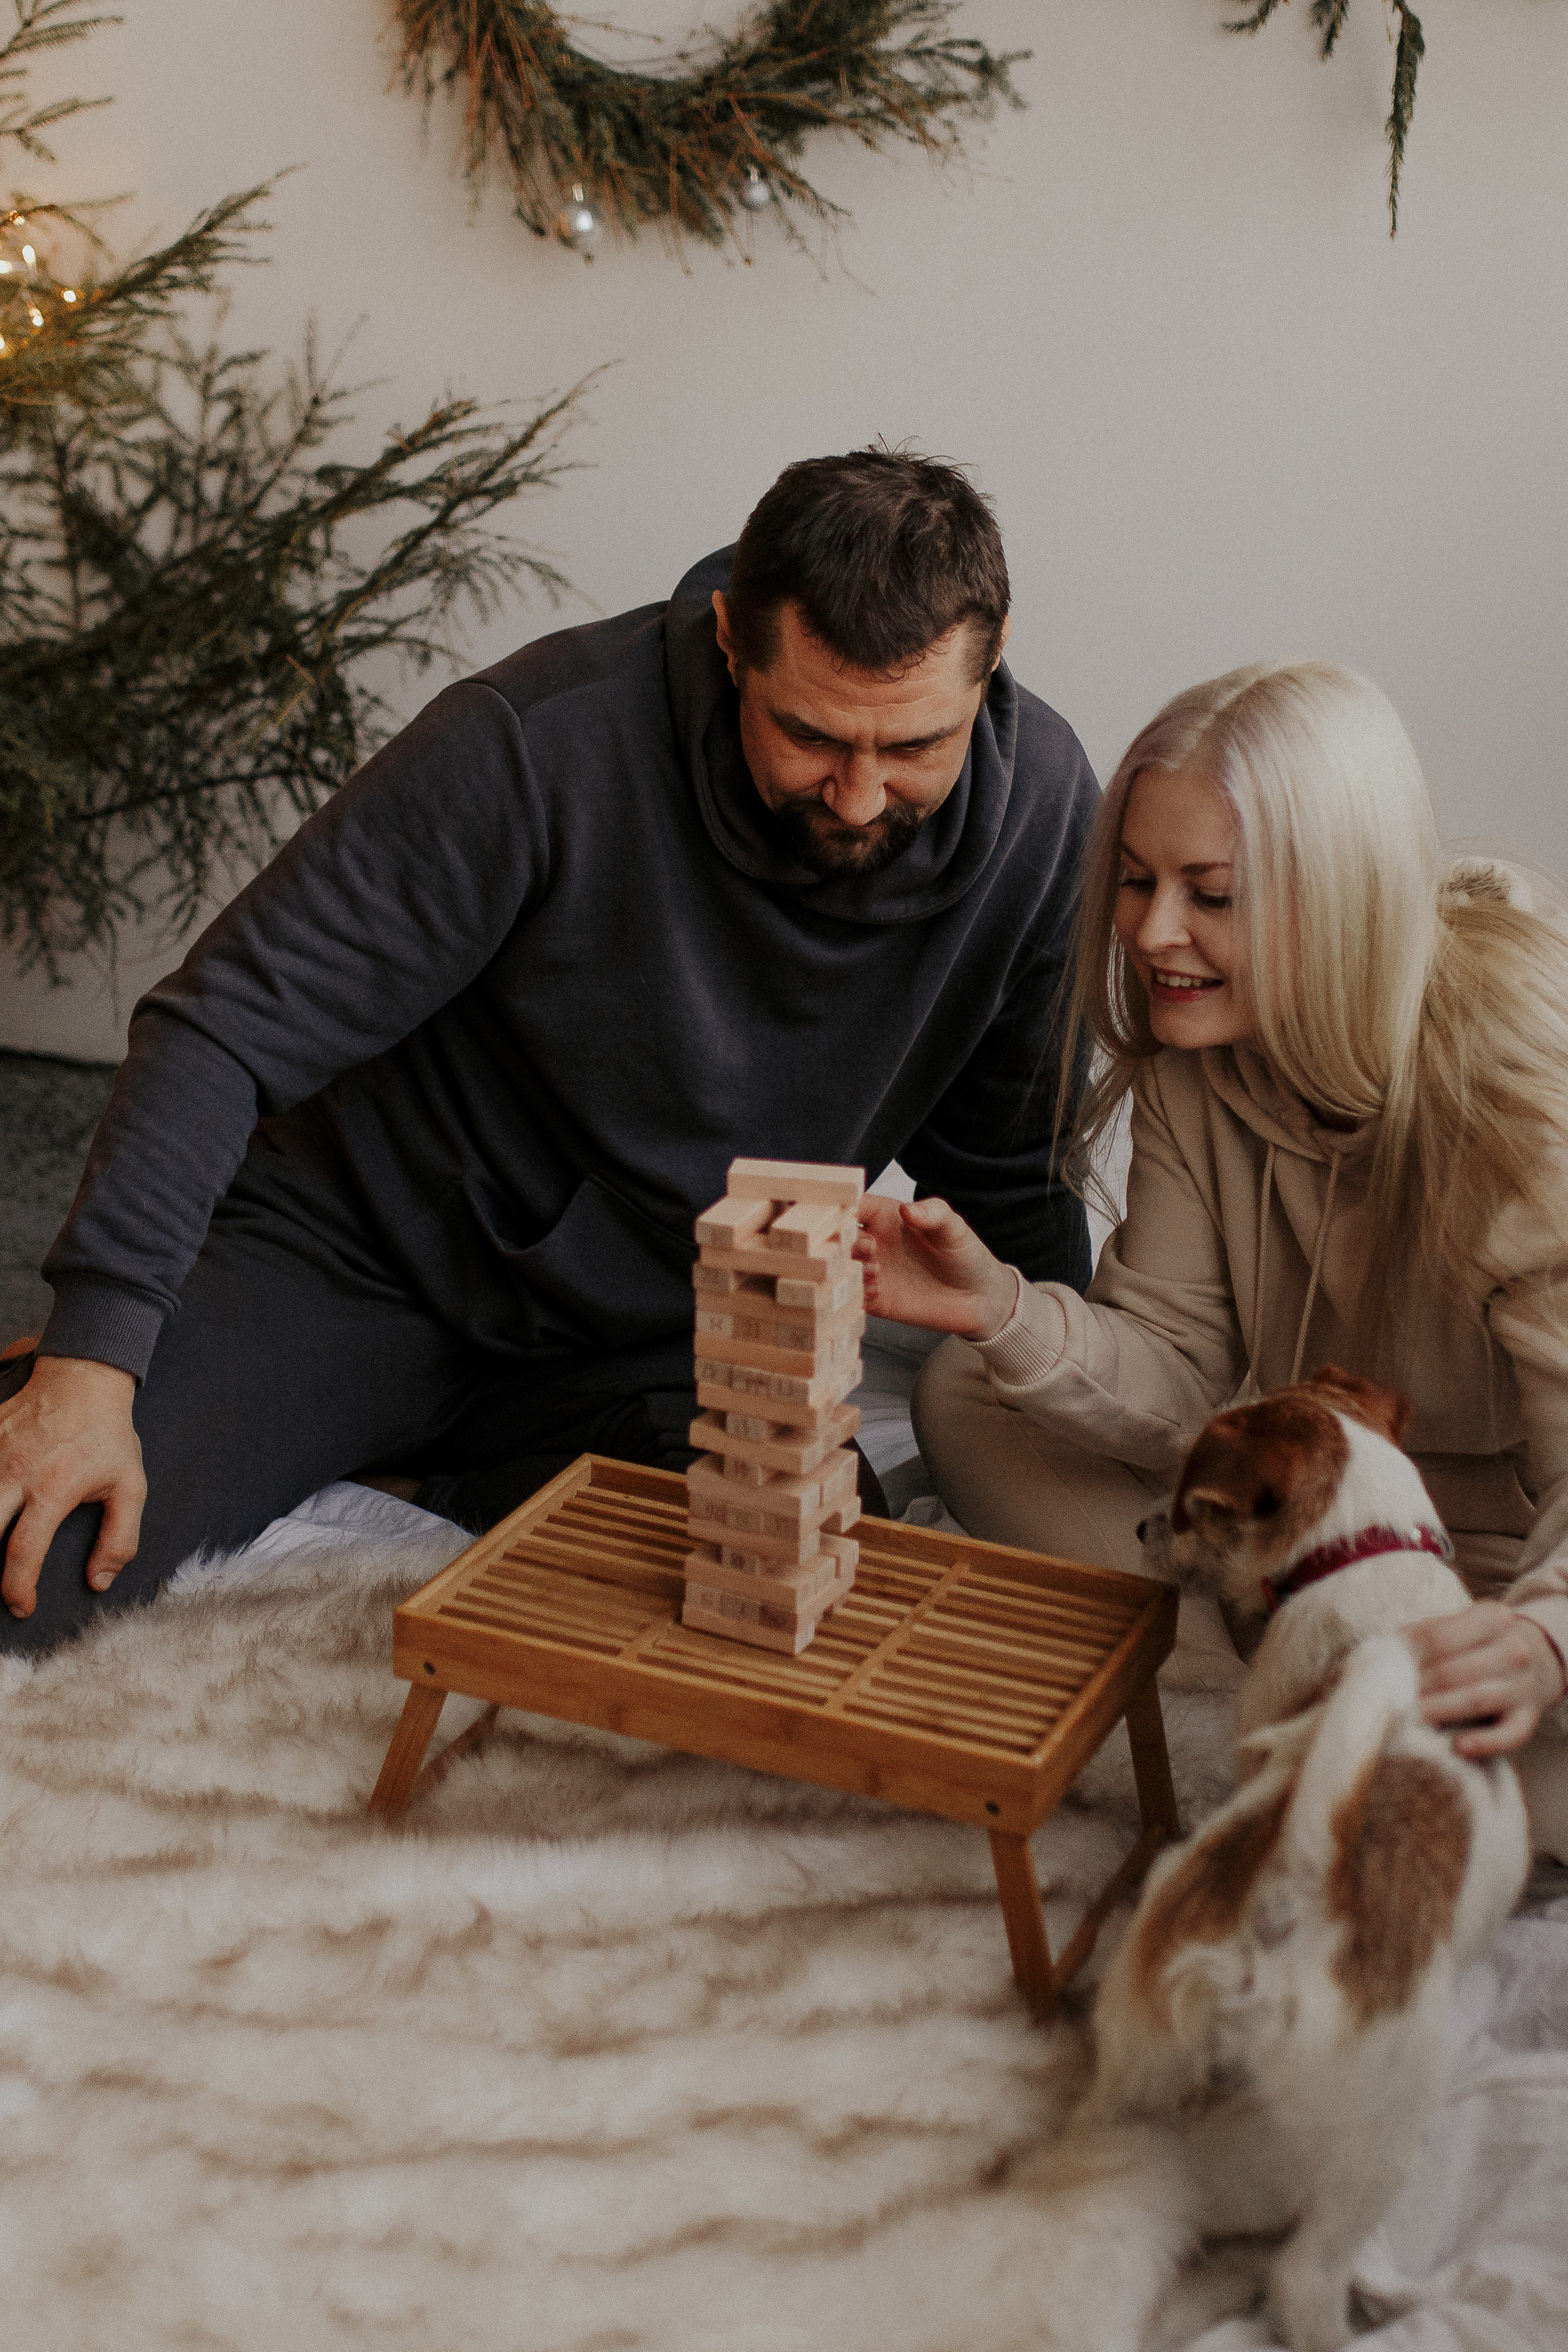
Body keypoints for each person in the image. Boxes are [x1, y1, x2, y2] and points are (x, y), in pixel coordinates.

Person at [0, 449, 1101, 1654]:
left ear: (990, 666)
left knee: (802, 1618)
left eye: (913, 750)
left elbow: (1011, 1166)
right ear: (730, 640)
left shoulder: (1043, 813)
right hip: (356, 1262)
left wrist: (1079, 1424)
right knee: (37, 1561)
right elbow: (224, 1024)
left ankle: (444, 1472)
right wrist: (92, 1364)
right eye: (810, 737)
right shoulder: (536, 739)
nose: (857, 797)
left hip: (663, 1335)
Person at [856, 660, 1568, 1856]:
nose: (1150, 931)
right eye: (1136, 880)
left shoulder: (1516, 1097)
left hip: (1498, 1559)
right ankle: (1288, 1711)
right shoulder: (1199, 1060)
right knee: (967, 1387)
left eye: (1212, 894)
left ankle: (1281, 1713)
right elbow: (1179, 1376)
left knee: (1513, 1766)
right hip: (1288, 1524)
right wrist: (998, 1308)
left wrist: (1540, 1639)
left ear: (1336, 898)